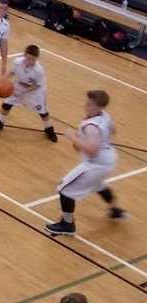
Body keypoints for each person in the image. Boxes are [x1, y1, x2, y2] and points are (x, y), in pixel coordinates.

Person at [46, 90, 127, 236]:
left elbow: (92, 151)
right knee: (98, 184)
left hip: (96, 163)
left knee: (65, 189)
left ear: (100, 107)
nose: (86, 105)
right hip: (110, 158)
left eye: (90, 104)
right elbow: (113, 130)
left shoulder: (91, 127)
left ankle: (67, 224)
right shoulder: (105, 116)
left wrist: (74, 138)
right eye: (87, 102)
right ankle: (115, 209)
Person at [0, 44, 56, 141]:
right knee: (6, 104)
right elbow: (12, 72)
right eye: (28, 59)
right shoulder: (17, 62)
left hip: (35, 90)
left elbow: (37, 85)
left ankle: (49, 128)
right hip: (20, 84)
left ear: (36, 59)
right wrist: (1, 80)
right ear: (24, 55)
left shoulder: (39, 70)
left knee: (43, 112)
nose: (30, 62)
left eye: (32, 60)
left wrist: (23, 91)